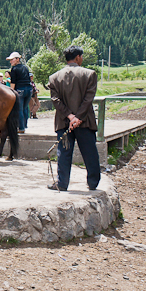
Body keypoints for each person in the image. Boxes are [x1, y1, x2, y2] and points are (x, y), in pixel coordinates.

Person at [47, 45, 100, 191]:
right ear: (78, 57)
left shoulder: (54, 77)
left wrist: (70, 116)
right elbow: (89, 98)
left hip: (64, 122)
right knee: (89, 153)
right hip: (84, 122)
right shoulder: (89, 74)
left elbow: (55, 100)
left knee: (63, 153)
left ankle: (62, 183)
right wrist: (78, 117)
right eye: (81, 57)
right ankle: (93, 183)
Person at [6, 51, 32, 133]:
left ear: (17, 59)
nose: (10, 62)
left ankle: (21, 128)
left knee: (19, 109)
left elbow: (13, 82)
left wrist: (11, 92)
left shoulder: (14, 69)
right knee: (25, 108)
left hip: (20, 90)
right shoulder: (25, 67)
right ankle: (24, 125)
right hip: (29, 89)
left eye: (12, 60)